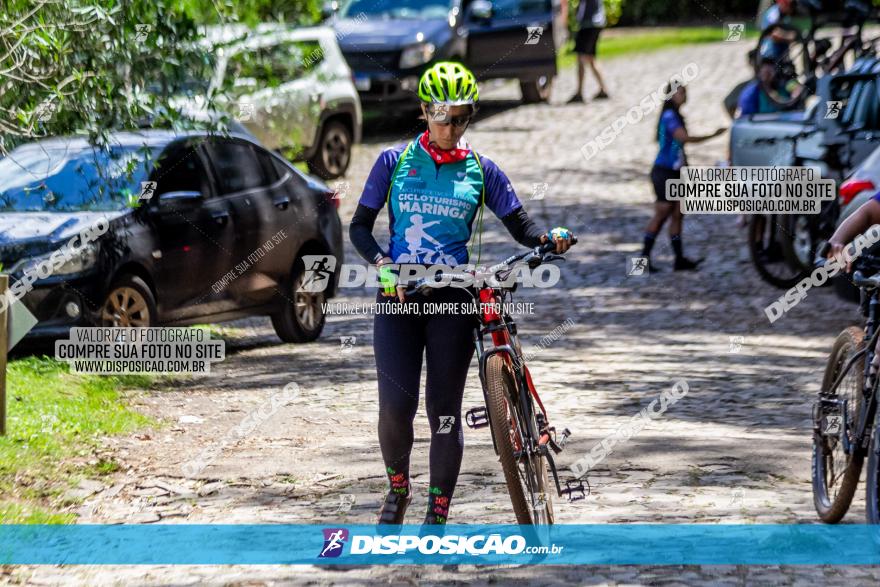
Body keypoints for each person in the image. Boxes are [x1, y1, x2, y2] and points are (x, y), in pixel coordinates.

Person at [349, 61, 575, 525]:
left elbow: (520, 224)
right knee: (396, 406)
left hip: (454, 301)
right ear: (424, 112)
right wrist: (382, 266)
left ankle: (438, 509)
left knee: (443, 411)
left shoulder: (480, 169)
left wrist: (546, 240)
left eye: (463, 117)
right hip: (400, 298)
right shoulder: (393, 163)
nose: (452, 126)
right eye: (443, 116)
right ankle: (397, 489)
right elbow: (358, 228)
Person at [640, 80, 725, 272]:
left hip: (678, 172)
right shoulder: (670, 116)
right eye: (681, 92)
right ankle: (643, 260)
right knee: (662, 214)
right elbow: (682, 138)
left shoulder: (675, 115)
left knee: (678, 214)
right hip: (664, 171)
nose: (685, 96)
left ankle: (679, 259)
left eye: (685, 92)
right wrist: (712, 135)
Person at [562, 0, 609, 103]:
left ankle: (579, 93)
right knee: (591, 58)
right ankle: (603, 89)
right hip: (596, 22)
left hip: (588, 24)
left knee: (581, 58)